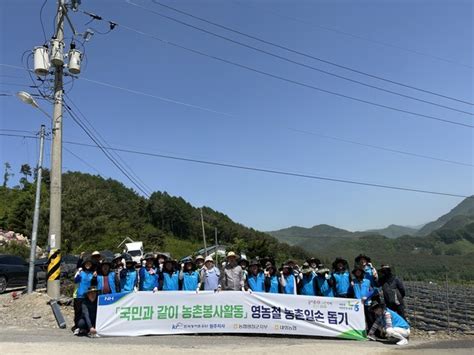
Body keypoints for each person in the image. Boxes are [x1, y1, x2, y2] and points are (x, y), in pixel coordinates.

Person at [73, 257, 97, 330]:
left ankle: (87, 327)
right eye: (87, 264)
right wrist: (78, 273)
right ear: (84, 264)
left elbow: (94, 284)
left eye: (89, 264)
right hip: (80, 295)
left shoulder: (92, 273)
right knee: (78, 312)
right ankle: (77, 326)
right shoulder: (81, 272)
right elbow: (76, 281)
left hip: (88, 295)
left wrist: (94, 277)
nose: (88, 265)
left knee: (87, 312)